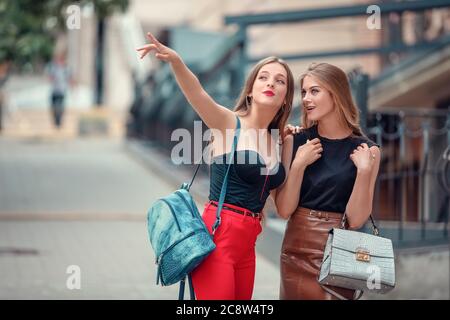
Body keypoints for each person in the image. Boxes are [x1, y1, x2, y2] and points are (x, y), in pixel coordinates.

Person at [137, 32, 294, 300]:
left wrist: (293, 153)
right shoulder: (228, 123)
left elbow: (282, 203)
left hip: (248, 244)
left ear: (285, 98)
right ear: (251, 89)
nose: (271, 83)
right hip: (219, 237)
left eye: (280, 81)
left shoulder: (277, 140)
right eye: (264, 77)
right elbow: (197, 93)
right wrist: (176, 62)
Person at [274, 62, 381, 300]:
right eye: (303, 92)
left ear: (336, 94)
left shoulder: (368, 151)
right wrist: (299, 165)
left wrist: (363, 173)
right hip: (296, 250)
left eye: (314, 91)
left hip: (339, 252)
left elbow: (355, 219)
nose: (305, 99)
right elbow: (283, 210)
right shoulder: (296, 141)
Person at [48, 53, 72, 129]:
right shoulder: (54, 68)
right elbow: (50, 77)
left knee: (60, 108)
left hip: (62, 91)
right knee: (54, 107)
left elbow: (70, 78)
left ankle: (59, 123)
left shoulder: (66, 69)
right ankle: (56, 122)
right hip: (54, 91)